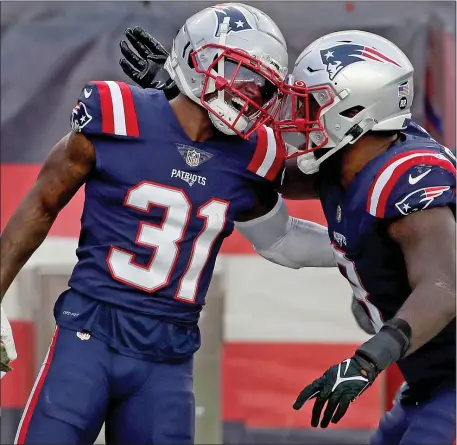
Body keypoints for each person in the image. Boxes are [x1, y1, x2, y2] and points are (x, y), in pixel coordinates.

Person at [0, 4, 336, 444]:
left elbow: (283, 241)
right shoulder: (116, 113)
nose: (248, 92)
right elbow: (41, 207)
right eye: (237, 71)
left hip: (169, 356)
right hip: (90, 335)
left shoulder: (253, 155)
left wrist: (358, 248)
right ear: (196, 57)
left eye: (261, 85)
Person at [123, 28, 456, 445]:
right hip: (429, 381)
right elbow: (264, 170)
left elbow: (443, 288)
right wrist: (188, 97)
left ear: (355, 111)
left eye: (313, 102)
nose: (301, 115)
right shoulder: (349, 160)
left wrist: (367, 361)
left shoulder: (405, 177)